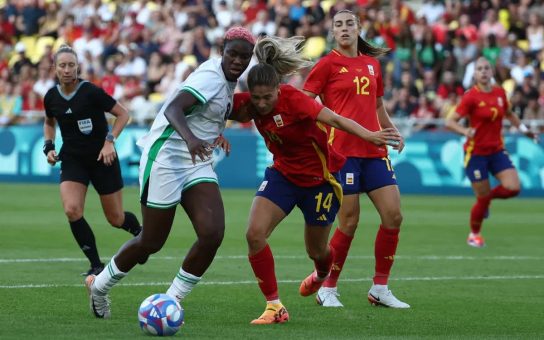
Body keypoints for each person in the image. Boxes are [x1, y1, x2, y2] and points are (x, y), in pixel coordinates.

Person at [84, 27, 256, 319]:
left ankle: (171, 300)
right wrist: (190, 138)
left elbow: (210, 112)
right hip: (165, 158)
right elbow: (174, 109)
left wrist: (216, 132)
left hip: (196, 161)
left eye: (244, 56)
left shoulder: (228, 81)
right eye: (233, 54)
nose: (238, 60)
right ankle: (98, 286)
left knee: (212, 233)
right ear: (221, 51)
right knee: (151, 241)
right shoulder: (210, 77)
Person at [230, 36, 401, 324]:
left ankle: (323, 273)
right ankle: (274, 307)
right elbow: (211, 110)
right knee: (253, 234)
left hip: (320, 181)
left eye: (267, 97)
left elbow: (334, 119)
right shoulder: (246, 103)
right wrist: (214, 133)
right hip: (283, 176)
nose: (260, 104)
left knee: (317, 251)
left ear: (277, 89)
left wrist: (371, 135)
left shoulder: (294, 99)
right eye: (256, 98)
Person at [302, 9, 410, 308]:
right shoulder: (326, 65)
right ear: (333, 32)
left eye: (350, 23)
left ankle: (380, 288)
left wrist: (392, 130)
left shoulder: (372, 65)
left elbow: (377, 107)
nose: (345, 28)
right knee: (349, 222)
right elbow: (304, 104)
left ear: (359, 28)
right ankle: (328, 288)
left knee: (394, 215)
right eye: (339, 24)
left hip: (375, 151)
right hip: (343, 153)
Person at [43, 45, 142, 276]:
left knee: (116, 219)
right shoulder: (51, 96)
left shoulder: (91, 91)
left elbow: (123, 114)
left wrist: (110, 141)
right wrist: (48, 146)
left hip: (102, 159)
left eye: (71, 65)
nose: (67, 70)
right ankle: (96, 264)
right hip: (73, 160)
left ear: (78, 67)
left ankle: (140, 233)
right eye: (62, 65)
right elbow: (49, 122)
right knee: (72, 210)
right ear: (55, 68)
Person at [445, 57, 539, 248]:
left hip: (496, 150)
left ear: (492, 71)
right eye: (479, 69)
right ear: (475, 74)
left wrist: (523, 130)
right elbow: (449, 121)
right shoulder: (471, 96)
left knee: (513, 188)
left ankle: (486, 201)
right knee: (482, 197)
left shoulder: (500, 93)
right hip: (476, 153)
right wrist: (464, 131)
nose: (484, 71)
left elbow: (510, 114)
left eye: (486, 68)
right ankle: (474, 235)